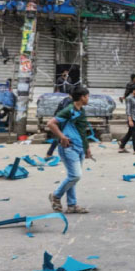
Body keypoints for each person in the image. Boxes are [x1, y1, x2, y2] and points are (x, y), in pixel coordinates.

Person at [47, 86, 93, 214]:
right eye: (87, 96)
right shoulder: (69, 110)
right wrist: (62, 136)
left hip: (79, 147)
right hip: (69, 147)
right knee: (75, 175)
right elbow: (51, 123)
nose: (88, 98)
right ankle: (56, 195)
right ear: (82, 97)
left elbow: (82, 131)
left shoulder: (81, 111)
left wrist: (87, 148)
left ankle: (72, 205)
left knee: (72, 177)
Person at [118, 84, 135, 154]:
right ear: (134, 90)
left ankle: (121, 146)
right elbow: (128, 110)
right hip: (132, 119)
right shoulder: (129, 98)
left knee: (130, 133)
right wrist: (130, 120)